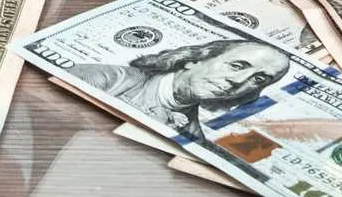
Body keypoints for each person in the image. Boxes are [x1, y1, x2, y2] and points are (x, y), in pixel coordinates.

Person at [69, 39, 292, 138]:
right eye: (237, 66)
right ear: (195, 60)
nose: (238, 81)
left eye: (259, 79)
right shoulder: (105, 78)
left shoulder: (192, 136)